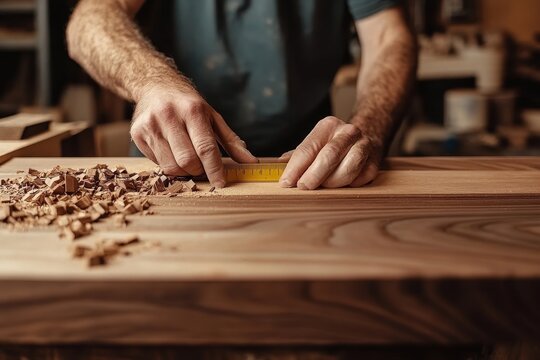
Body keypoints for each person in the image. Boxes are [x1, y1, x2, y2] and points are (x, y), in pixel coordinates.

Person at [66, 0, 416, 190]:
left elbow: (388, 36)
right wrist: (150, 80)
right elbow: (92, 18)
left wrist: (368, 130)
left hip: (315, 169)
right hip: (169, 164)